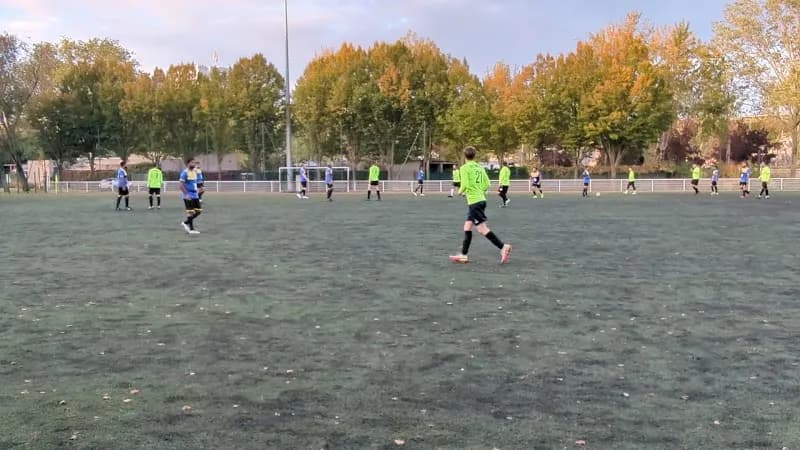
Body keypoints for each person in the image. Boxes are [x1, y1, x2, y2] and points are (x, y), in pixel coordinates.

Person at [449, 146, 512, 265]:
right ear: (474, 155)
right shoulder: (479, 167)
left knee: (482, 229)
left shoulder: (464, 168)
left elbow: (465, 184)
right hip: (480, 200)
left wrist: (460, 191)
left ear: (464, 156)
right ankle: (463, 255)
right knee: (467, 227)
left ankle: (503, 247)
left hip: (474, 202)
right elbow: (487, 183)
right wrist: (479, 190)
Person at [179, 158, 202, 235]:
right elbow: (181, 185)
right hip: (188, 195)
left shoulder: (195, 172)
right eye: (192, 162)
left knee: (199, 211)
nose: (194, 164)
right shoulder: (184, 173)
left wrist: (200, 188)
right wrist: (186, 194)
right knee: (191, 212)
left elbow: (196, 182)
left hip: (195, 194)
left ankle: (186, 222)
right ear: (188, 163)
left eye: (194, 163)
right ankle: (191, 229)